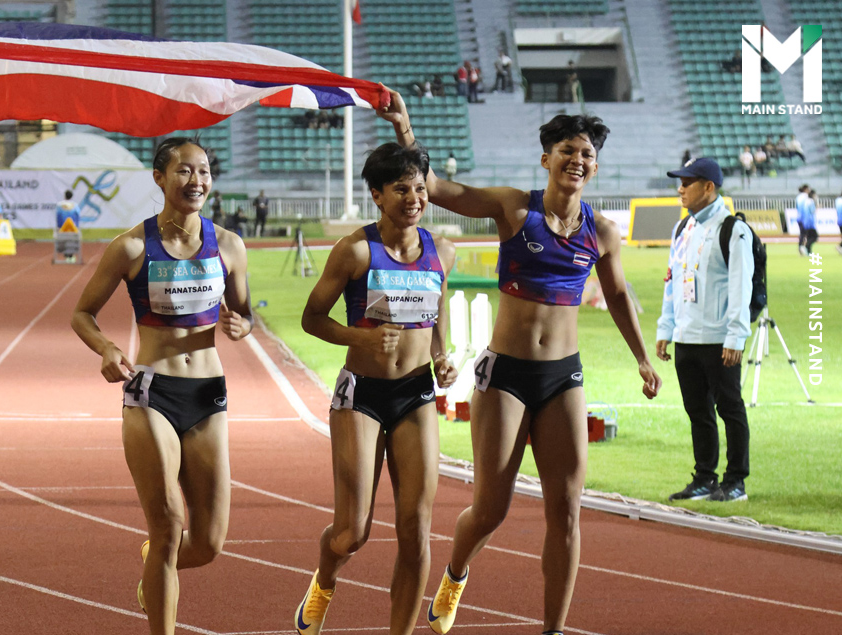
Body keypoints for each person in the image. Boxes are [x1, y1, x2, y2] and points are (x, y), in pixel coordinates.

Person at [377, 89, 660, 635]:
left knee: (567, 509)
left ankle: (554, 629)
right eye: (567, 151)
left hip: (562, 377)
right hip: (505, 375)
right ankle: (456, 572)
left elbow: (619, 295)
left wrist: (643, 359)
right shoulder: (516, 209)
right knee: (491, 509)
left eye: (587, 154)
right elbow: (440, 189)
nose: (577, 160)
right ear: (546, 158)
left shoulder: (601, 232)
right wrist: (404, 127)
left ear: (595, 167)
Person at [70, 137, 253, 635]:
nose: (197, 180)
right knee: (169, 522)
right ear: (159, 178)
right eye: (184, 171)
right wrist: (107, 348)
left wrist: (242, 326)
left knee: (209, 543)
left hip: (208, 394)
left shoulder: (229, 246)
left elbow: (244, 313)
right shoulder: (132, 247)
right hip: (151, 391)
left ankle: (157, 566)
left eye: (204, 171)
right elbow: (82, 313)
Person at [292, 142, 458, 635]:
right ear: (377, 195)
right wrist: (360, 337)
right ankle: (324, 579)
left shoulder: (442, 250)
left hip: (416, 393)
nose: (414, 198)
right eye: (401, 189)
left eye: (419, 188)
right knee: (352, 531)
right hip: (361, 395)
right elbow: (311, 318)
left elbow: (437, 309)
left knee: (416, 530)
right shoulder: (356, 251)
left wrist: (441, 355)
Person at [657, 158, 752, 504]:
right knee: (698, 412)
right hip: (686, 338)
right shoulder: (682, 228)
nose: (680, 189)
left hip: (719, 340)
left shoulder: (733, 229)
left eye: (687, 182)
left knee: (730, 410)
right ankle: (704, 478)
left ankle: (736, 481)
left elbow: (741, 287)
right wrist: (666, 327)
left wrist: (736, 336)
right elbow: (672, 281)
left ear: (708, 187)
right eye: (680, 182)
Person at [796, 184, 817, 255]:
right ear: (806, 189)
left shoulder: (799, 196)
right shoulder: (806, 197)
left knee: (803, 234)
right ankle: (803, 247)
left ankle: (802, 247)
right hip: (805, 218)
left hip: (799, 216)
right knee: (808, 235)